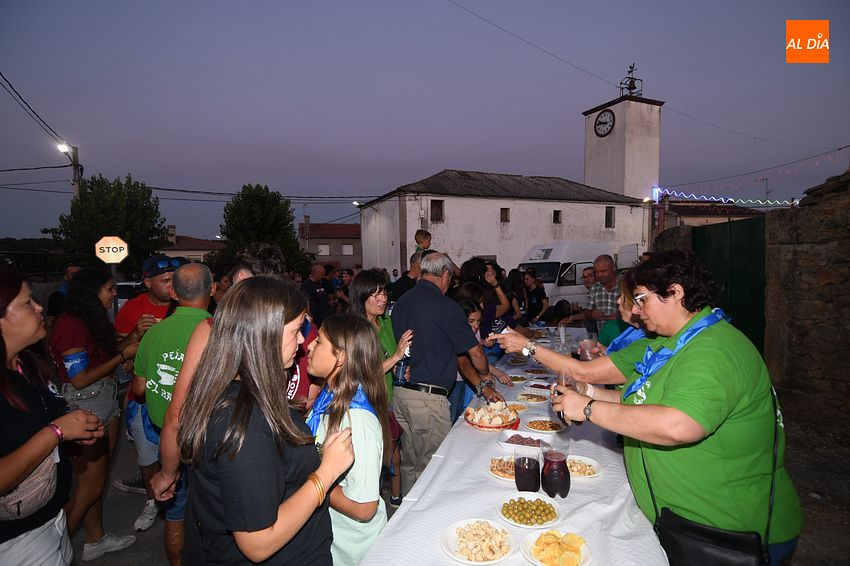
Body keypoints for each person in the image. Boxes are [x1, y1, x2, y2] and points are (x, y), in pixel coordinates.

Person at [551, 249, 802, 564]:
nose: (638, 310)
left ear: (675, 293)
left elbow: (677, 424)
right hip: (688, 522)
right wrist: (588, 392)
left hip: (728, 532)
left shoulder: (712, 349)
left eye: (641, 299)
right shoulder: (675, 342)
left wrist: (588, 408)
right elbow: (641, 402)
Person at [176, 277, 354, 565]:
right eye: (297, 330)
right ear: (264, 335)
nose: (301, 341)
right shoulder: (245, 422)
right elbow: (258, 542)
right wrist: (326, 473)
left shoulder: (236, 395)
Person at [151, 243, 290, 503]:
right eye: (233, 289)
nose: (234, 298)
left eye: (244, 290)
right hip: (225, 458)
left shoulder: (295, 335)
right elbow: (177, 413)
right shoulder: (211, 330)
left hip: (274, 461)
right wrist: (169, 472)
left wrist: (168, 473)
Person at [0, 271, 105, 565]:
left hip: (52, 520)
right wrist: (57, 432)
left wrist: (77, 431)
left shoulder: (28, 364)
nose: (38, 307)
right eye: (26, 303)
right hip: (16, 540)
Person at [49, 268, 138, 560]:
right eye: (109, 289)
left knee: (96, 480)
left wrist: (133, 337)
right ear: (92, 292)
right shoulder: (71, 325)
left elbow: (108, 355)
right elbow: (80, 378)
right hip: (87, 399)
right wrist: (123, 356)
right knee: (88, 485)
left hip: (103, 397)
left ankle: (95, 538)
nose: (114, 294)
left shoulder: (91, 318)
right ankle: (53, 553)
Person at [131, 263, 214, 565]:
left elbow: (138, 389)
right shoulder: (218, 331)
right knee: (212, 515)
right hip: (204, 439)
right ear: (213, 290)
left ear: (175, 293)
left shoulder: (153, 333)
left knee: (175, 515)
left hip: (162, 432)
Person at [390, 252, 493, 491]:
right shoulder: (445, 306)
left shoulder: (403, 300)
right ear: (445, 274)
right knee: (434, 470)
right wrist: (485, 374)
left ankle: (407, 521)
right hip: (428, 399)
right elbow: (474, 353)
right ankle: (427, 526)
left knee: (411, 465)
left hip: (402, 393)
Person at [305, 315, 389, 565]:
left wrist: (310, 483)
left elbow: (364, 508)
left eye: (318, 342)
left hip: (354, 551)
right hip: (333, 539)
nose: (309, 346)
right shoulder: (329, 397)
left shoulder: (357, 419)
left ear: (340, 357)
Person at [113, 255, 188, 533]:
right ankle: (150, 499)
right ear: (147, 282)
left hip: (182, 399)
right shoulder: (132, 308)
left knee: (184, 454)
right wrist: (135, 334)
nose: (172, 286)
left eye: (174, 280)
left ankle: (180, 500)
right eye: (165, 280)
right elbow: (118, 350)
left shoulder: (185, 305)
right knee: (148, 457)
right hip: (143, 399)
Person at [348, 269, 412, 507]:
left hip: (388, 397)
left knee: (394, 452)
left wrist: (401, 368)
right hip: (366, 403)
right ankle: (369, 506)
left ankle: (395, 501)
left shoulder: (385, 322)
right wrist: (395, 357)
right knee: (373, 458)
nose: (382, 298)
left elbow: (392, 358)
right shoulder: (355, 329)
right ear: (360, 298)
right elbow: (364, 374)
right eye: (374, 295)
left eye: (383, 292)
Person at [584, 254, 620, 332]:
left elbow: (638, 312)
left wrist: (620, 317)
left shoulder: (624, 285)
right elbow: (587, 312)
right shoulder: (594, 288)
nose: (599, 275)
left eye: (604, 271)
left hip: (624, 338)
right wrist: (592, 314)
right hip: (603, 339)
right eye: (597, 272)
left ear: (613, 268)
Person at [45, 264, 81, 337]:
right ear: (65, 276)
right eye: (73, 274)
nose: (76, 277)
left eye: (79, 274)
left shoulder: (88, 294)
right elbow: (50, 321)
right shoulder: (56, 297)